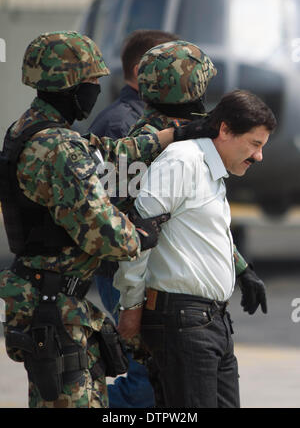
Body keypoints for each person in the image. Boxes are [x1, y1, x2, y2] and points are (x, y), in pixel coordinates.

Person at [0, 31, 211, 408]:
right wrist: (142, 233)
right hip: (56, 306)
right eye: (91, 82)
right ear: (69, 84)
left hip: (50, 297)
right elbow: (102, 234)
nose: (97, 88)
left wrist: (175, 134)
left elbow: (110, 152)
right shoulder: (58, 148)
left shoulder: (35, 130)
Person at [114, 81, 276, 406]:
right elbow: (138, 236)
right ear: (226, 130)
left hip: (211, 323)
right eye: (254, 144)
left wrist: (243, 271)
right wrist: (131, 307)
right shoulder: (182, 162)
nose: (259, 156)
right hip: (182, 325)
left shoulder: (212, 169)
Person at [89, 29, 179, 408]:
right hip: (125, 272)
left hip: (145, 269)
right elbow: (119, 215)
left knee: (157, 378)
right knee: (144, 384)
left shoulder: (146, 118)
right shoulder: (122, 126)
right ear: (145, 70)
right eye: (173, 67)